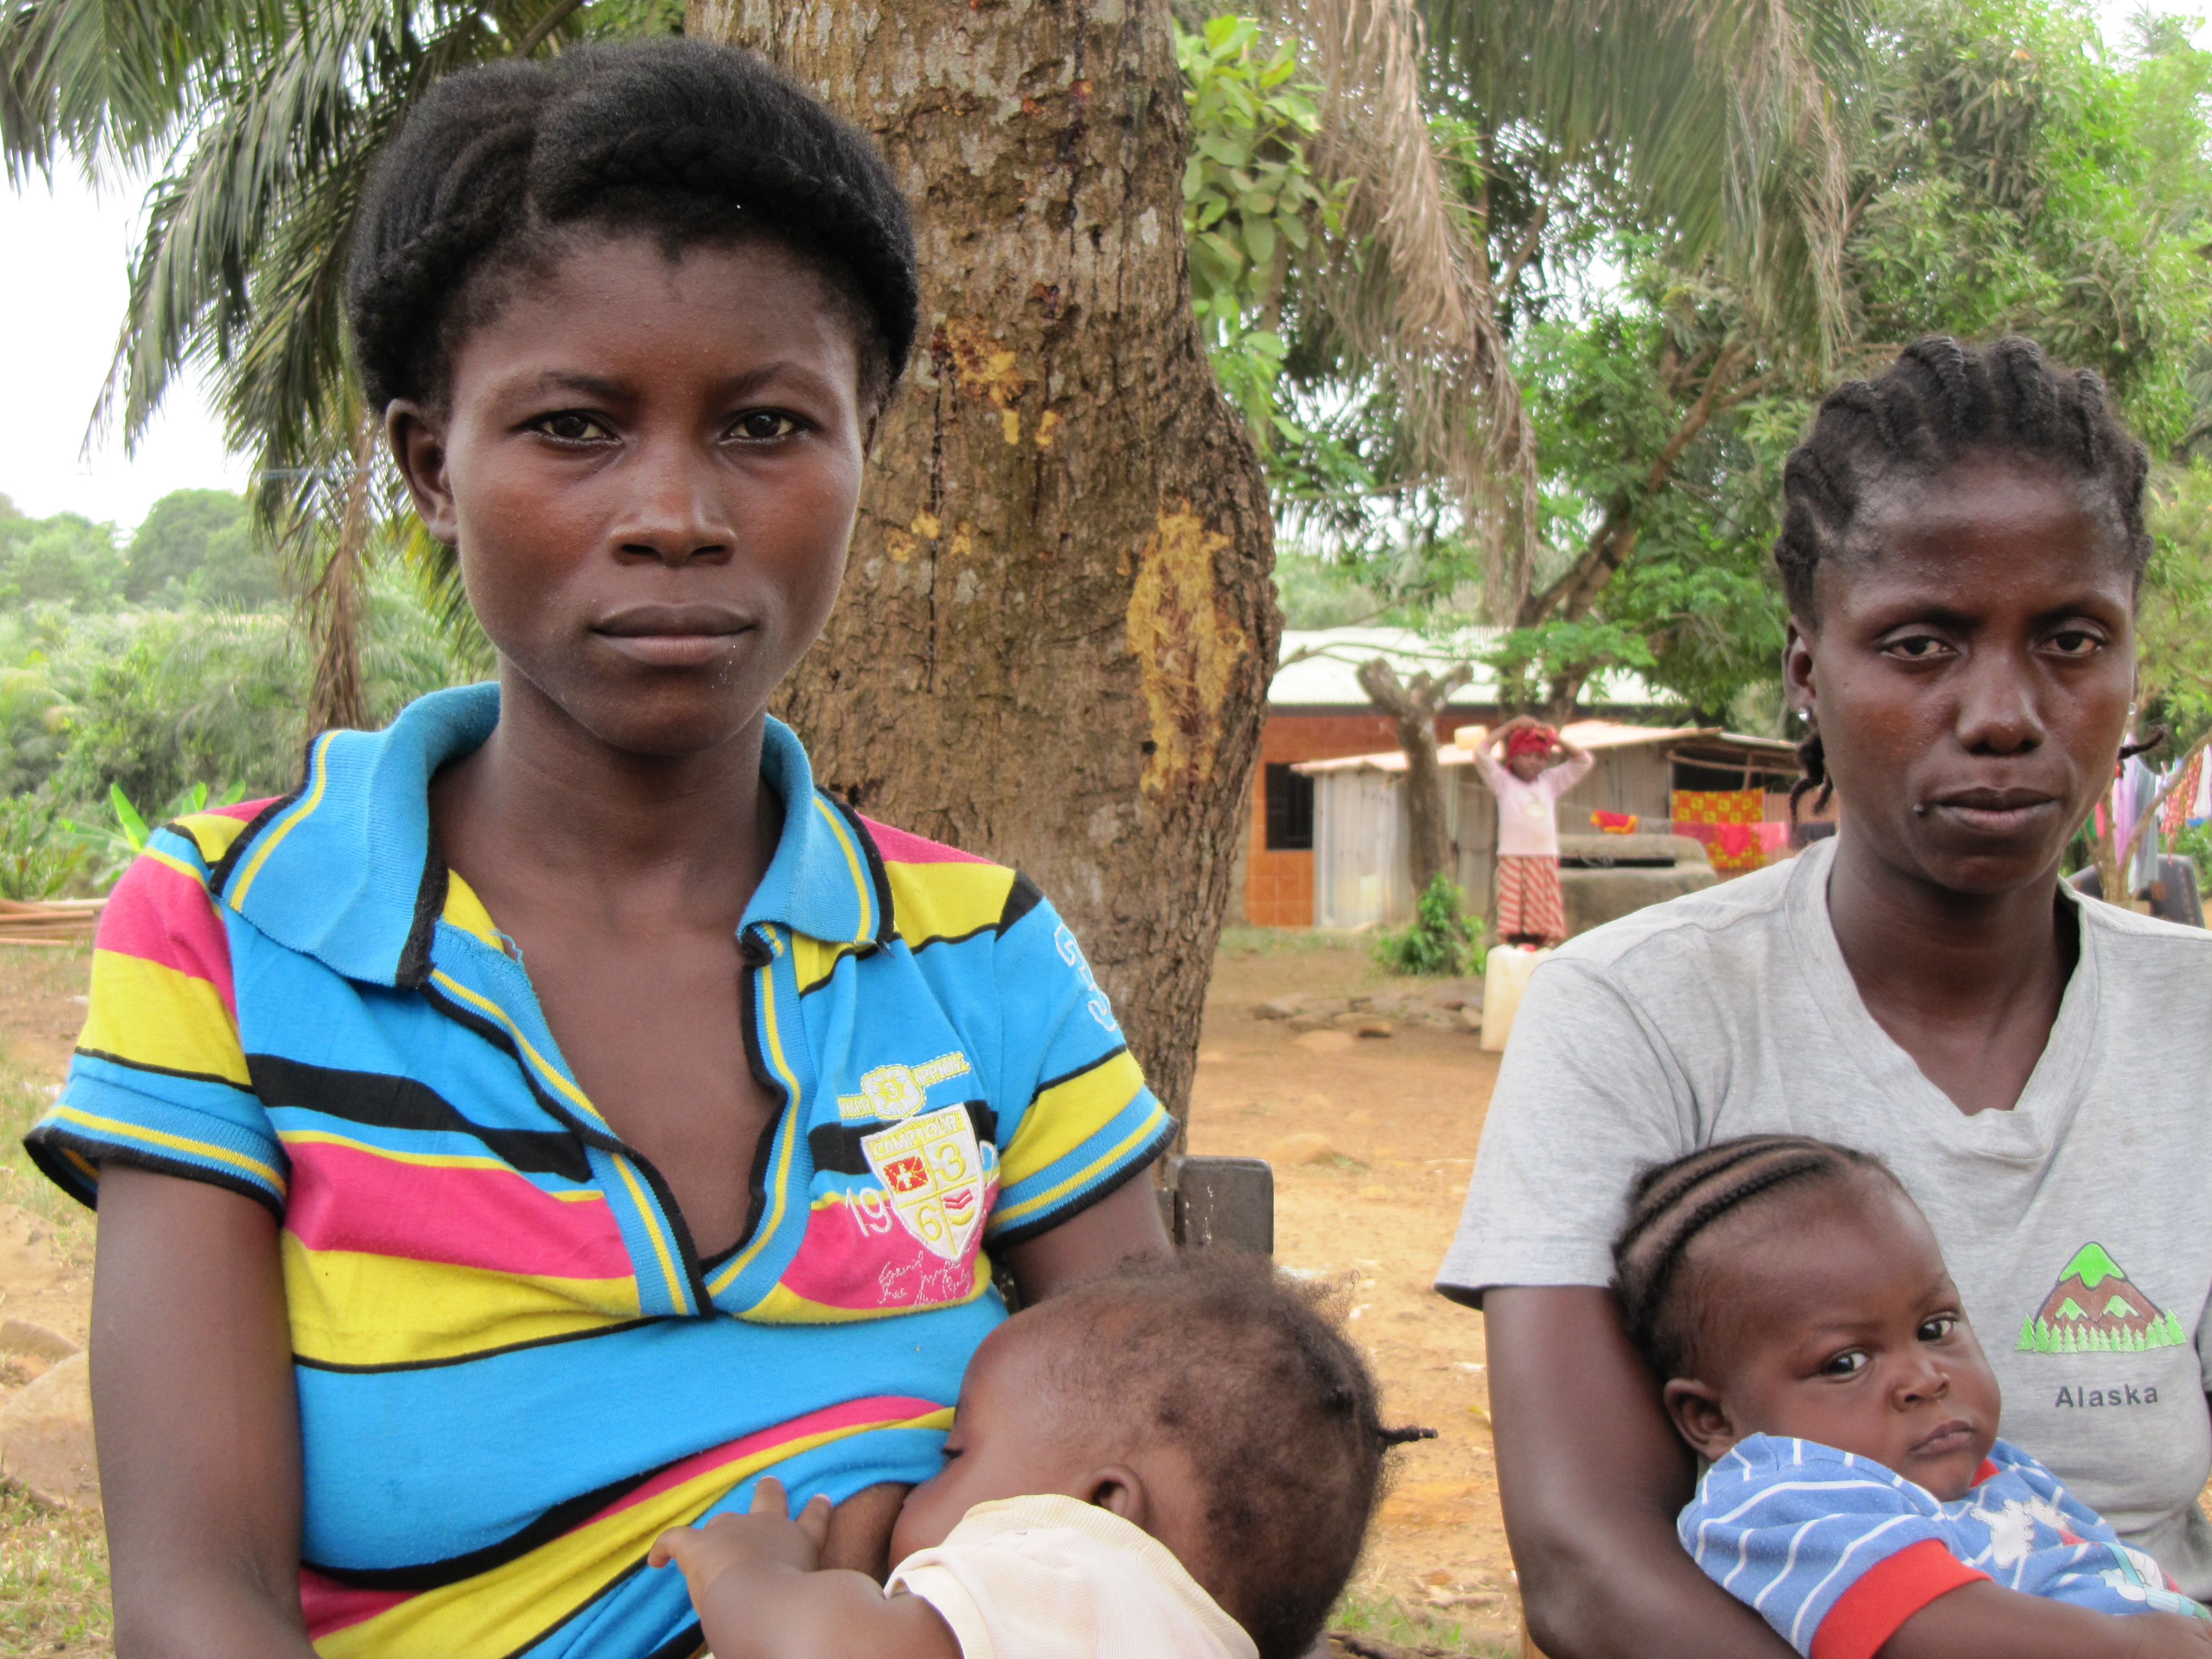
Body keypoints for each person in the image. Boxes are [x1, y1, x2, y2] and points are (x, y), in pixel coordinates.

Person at [23, 41, 1178, 1659]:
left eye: (769, 425)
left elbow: (1185, 1484)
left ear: (865, 453)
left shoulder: (975, 955)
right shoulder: (237, 933)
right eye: (574, 428)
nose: (676, 512)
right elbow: (198, 1604)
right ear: (431, 464)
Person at [1433, 335, 2212, 1659]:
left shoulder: (2191, 1024)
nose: (2004, 713)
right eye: (1921, 643)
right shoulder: (1635, 1012)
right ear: (1805, 668)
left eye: (2070, 639)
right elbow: (1585, 1567)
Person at [650, 1255, 1428, 1659]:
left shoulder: (1074, 1579)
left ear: (1102, 1507)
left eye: (956, 1455)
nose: (929, 1477)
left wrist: (745, 1572)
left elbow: (818, 1651)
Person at [1615, 1135, 2211, 1659]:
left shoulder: (1993, 1469)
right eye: (1844, 1363)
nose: (1926, 1378)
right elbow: (1916, 1625)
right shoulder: (1783, 1498)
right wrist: (2127, 1647)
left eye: (1935, 1328)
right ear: (1713, 1419)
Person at [1472, 714, 1593, 947]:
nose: (1533, 762)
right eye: (1526, 756)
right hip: (1512, 856)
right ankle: (1515, 948)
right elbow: (1480, 751)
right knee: (1513, 916)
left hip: (1543, 857)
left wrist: (1555, 739)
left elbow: (1583, 761)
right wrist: (1509, 727)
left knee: (1541, 915)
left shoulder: (1550, 782)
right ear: (1513, 758)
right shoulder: (1503, 781)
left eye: (1540, 757)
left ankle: (1540, 948)